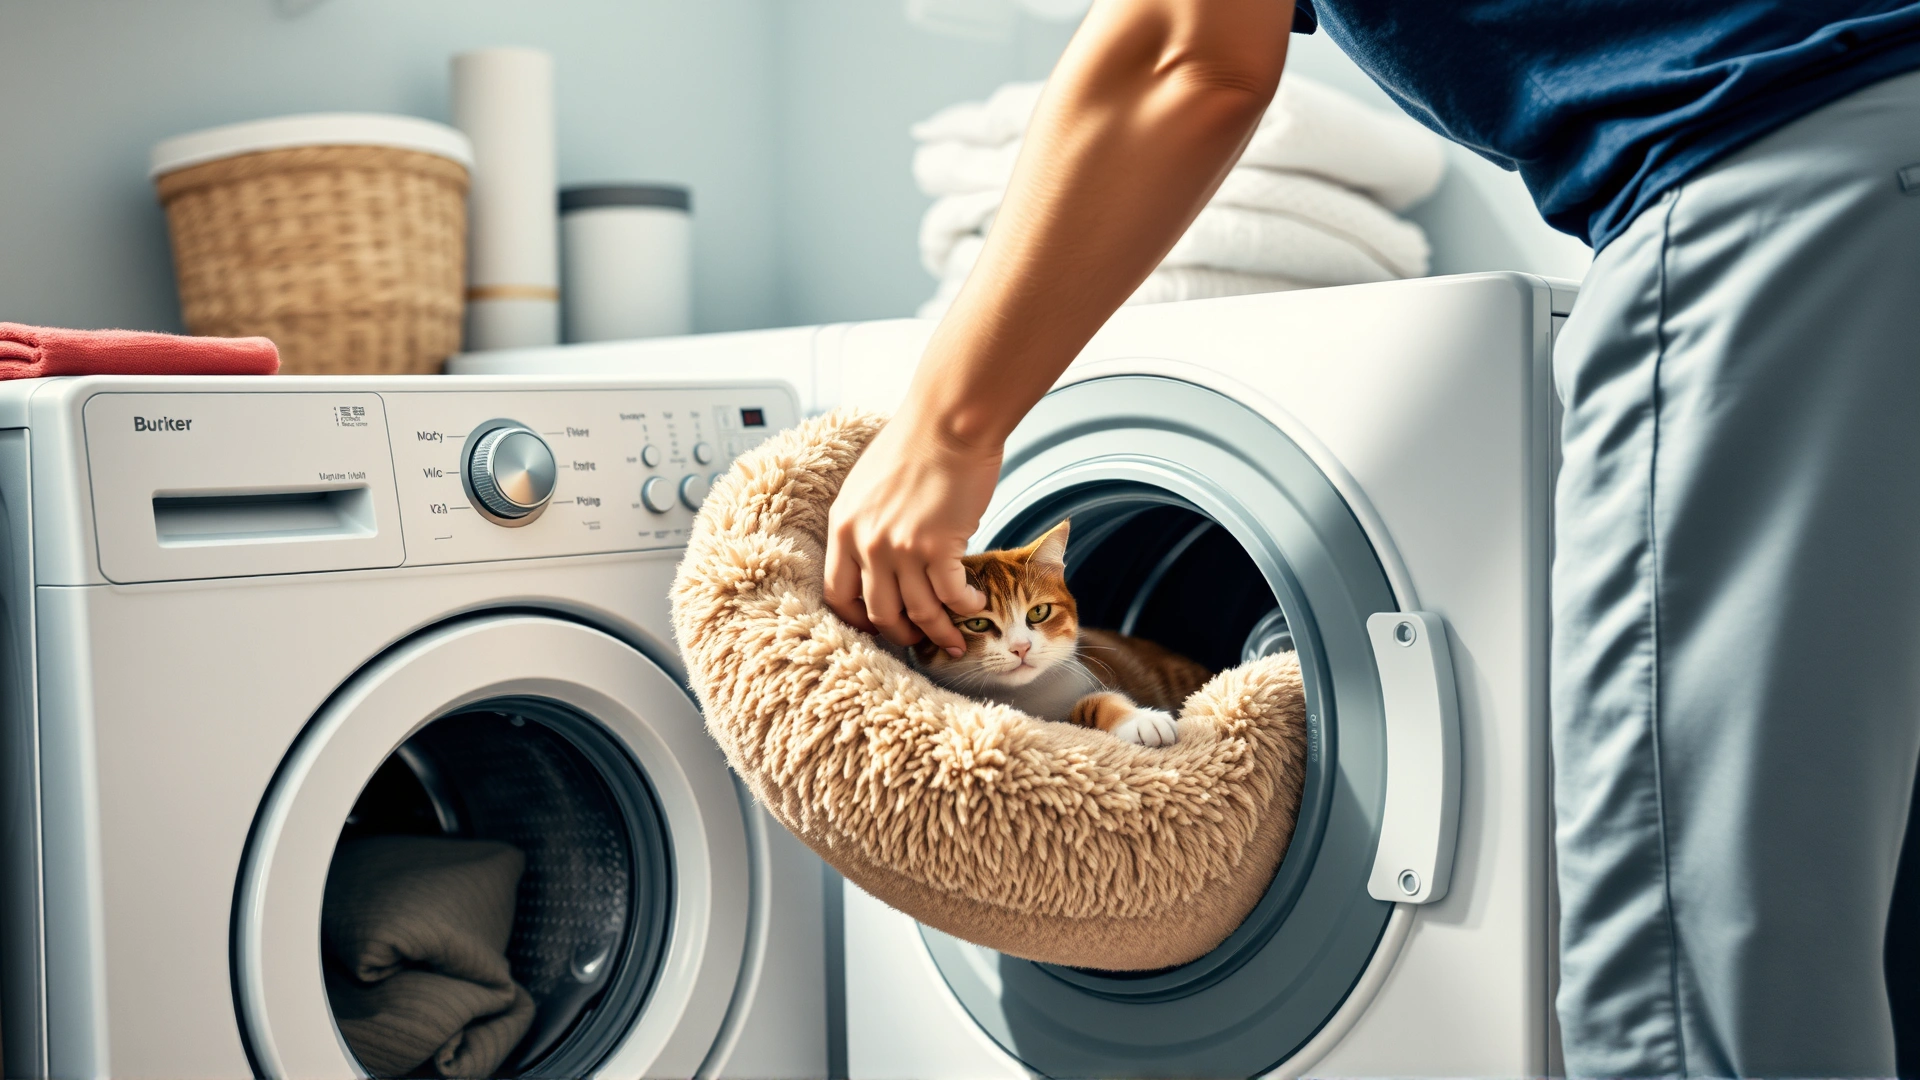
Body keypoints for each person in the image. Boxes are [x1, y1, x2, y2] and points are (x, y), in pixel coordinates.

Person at [822, 0, 1920, 1073]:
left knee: (1695, 963)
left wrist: (946, 427)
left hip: (1785, 171)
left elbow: (1184, 49)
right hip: (1862, 155)